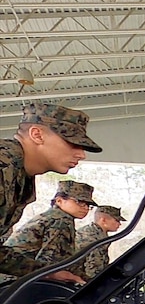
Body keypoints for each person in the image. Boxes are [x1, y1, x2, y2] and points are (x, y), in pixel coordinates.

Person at [0, 103, 100, 284]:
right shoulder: (3, 166)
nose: (81, 155)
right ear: (37, 135)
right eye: (73, 143)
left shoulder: (19, 175)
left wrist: (45, 272)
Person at [4, 180, 97, 284]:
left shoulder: (51, 216)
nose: (85, 208)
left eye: (88, 205)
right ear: (59, 201)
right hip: (14, 281)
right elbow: (53, 265)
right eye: (79, 202)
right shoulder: (61, 220)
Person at [72, 205, 125, 280]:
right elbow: (93, 270)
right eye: (117, 220)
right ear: (103, 220)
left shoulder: (98, 234)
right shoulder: (93, 237)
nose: (119, 224)